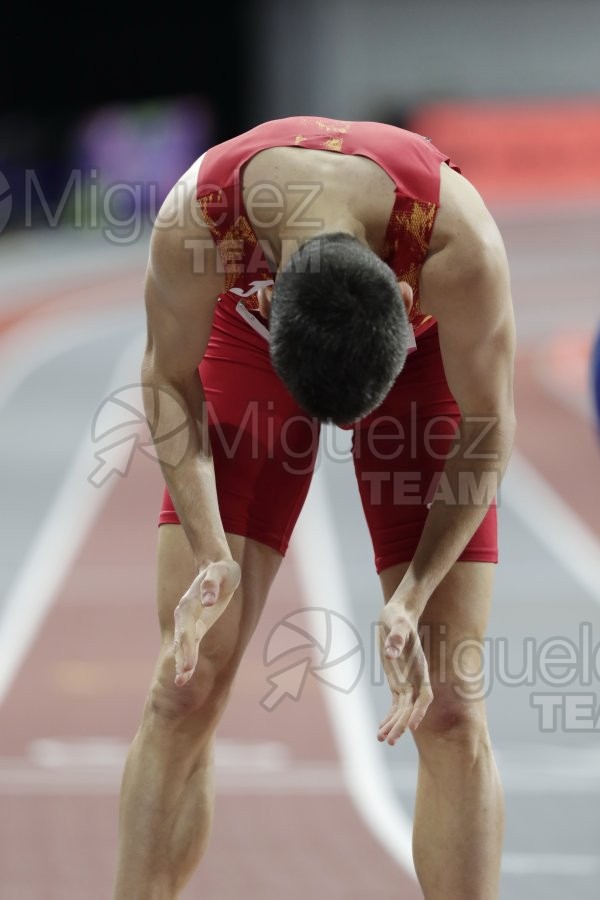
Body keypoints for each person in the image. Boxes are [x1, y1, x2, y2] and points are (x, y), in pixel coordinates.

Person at [113, 116, 515, 900]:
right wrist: (211, 553)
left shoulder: (458, 247)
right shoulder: (200, 221)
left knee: (450, 705)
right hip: (248, 334)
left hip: (425, 356)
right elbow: (167, 381)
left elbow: (488, 427)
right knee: (184, 684)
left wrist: (416, 592)